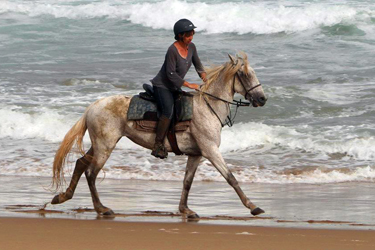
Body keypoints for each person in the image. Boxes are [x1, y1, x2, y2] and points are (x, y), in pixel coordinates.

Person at [150, 18, 207, 159]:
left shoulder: (192, 47)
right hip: (162, 86)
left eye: (192, 34)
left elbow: (199, 66)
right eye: (188, 35)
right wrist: (189, 84)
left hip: (174, 86)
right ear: (180, 35)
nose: (191, 37)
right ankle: (158, 144)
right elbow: (170, 74)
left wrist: (206, 79)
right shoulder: (172, 50)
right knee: (168, 111)